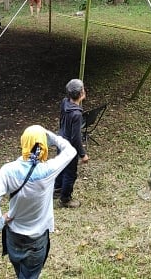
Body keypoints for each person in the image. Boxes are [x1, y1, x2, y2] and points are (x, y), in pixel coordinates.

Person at [0, 125, 76, 279]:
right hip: (37, 239)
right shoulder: (49, 169)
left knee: (20, 273)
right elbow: (71, 151)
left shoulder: (8, 170)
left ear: (23, 142)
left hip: (13, 236)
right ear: (44, 145)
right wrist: (50, 135)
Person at [54, 78, 89, 208]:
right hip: (69, 147)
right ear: (81, 93)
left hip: (60, 140)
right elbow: (76, 138)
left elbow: (61, 120)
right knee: (70, 173)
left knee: (61, 166)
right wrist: (82, 154)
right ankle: (65, 199)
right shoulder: (77, 114)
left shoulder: (65, 102)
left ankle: (57, 189)